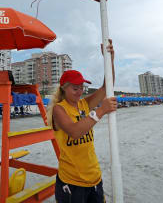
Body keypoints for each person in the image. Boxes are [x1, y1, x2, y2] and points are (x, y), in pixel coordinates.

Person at [47, 40, 116, 203]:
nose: (80, 92)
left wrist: (109, 59)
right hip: (71, 181)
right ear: (64, 88)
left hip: (94, 177)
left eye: (82, 87)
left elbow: (107, 87)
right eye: (75, 88)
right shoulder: (59, 109)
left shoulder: (84, 104)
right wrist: (101, 110)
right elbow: (74, 131)